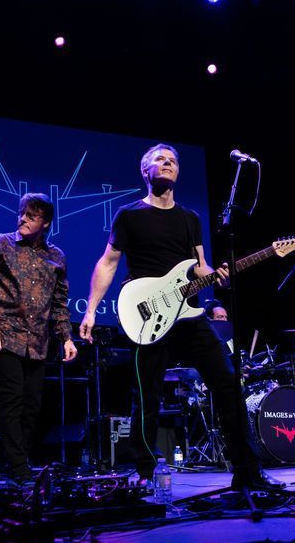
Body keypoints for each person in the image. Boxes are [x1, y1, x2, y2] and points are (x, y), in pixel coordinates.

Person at [79, 144, 281, 490]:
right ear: (146, 171)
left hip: (188, 313)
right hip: (148, 315)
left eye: (173, 160)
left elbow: (199, 266)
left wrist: (219, 275)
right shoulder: (129, 215)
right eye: (160, 159)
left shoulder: (190, 218)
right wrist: (92, 309)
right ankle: (144, 474)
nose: (168, 163)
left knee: (228, 383)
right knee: (147, 396)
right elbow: (108, 262)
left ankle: (247, 471)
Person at [0, 193, 77, 484]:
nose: (22, 218)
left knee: (33, 407)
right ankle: (19, 469)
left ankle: (19, 463)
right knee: (12, 402)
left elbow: (59, 303)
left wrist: (66, 338)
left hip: (38, 342)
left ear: (45, 223)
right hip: (5, 335)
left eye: (31, 216)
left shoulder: (56, 257)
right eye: (22, 213)